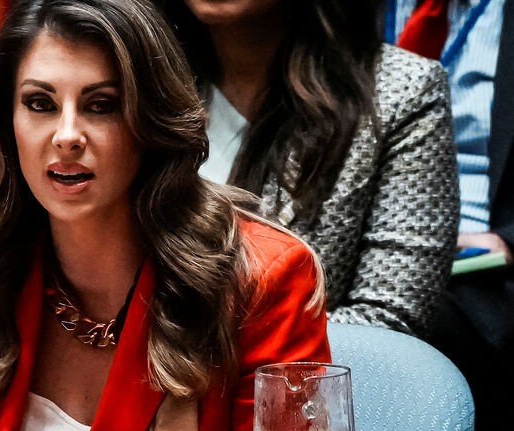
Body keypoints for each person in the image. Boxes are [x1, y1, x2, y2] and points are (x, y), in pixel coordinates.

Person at [0, 1, 330, 431]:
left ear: (150, 121)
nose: (67, 135)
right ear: (7, 122)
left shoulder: (264, 279)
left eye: (101, 105)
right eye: (40, 103)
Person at [156, 0, 460, 337]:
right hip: (133, 378)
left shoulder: (402, 91)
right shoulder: (134, 82)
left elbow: (388, 320)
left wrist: (204, 358)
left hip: (298, 383)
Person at [387, 0, 513, 431]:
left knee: (388, 342)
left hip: (486, 267)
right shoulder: (338, 12)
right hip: (369, 236)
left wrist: (510, 239)